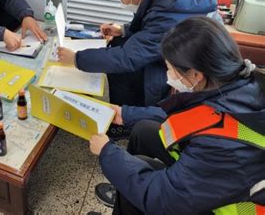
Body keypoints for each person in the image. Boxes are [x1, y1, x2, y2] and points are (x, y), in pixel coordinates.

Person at [89, 17, 265, 214]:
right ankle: (123, 192)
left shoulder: (222, 148)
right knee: (143, 131)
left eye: (170, 69)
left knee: (136, 178)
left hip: (222, 208)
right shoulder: (240, 81)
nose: (169, 75)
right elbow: (194, 116)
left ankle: (127, 192)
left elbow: (162, 199)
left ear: (196, 75)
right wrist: (126, 114)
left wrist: (107, 153)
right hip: (218, 177)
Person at [57, 0, 217, 138]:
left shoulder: (170, 9)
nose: (121, 3)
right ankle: (129, 113)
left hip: (189, 66)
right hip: (180, 52)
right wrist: (123, 30)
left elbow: (128, 57)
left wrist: (76, 58)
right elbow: (152, 28)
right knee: (118, 43)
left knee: (124, 66)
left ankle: (129, 122)